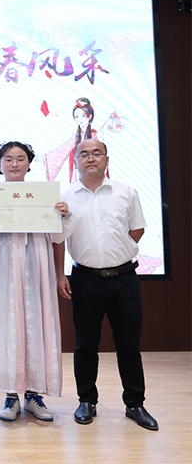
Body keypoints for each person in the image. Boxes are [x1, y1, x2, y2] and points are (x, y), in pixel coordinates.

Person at [53, 138, 158, 431]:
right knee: (86, 345)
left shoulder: (126, 192)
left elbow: (137, 228)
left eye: (96, 153)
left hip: (124, 278)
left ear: (106, 159)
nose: (90, 158)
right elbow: (57, 238)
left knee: (129, 345)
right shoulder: (65, 197)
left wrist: (117, 251)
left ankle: (135, 404)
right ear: (76, 161)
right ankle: (87, 401)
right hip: (85, 280)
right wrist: (60, 274)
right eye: (84, 154)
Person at [0, 141, 71, 422]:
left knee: (38, 327)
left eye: (20, 158)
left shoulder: (44, 196)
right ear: (0, 164)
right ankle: (10, 396)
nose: (14, 164)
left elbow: (58, 236)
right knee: (8, 329)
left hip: (38, 271)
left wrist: (63, 215)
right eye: (8, 159)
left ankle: (33, 395)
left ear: (29, 163)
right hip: (6, 273)